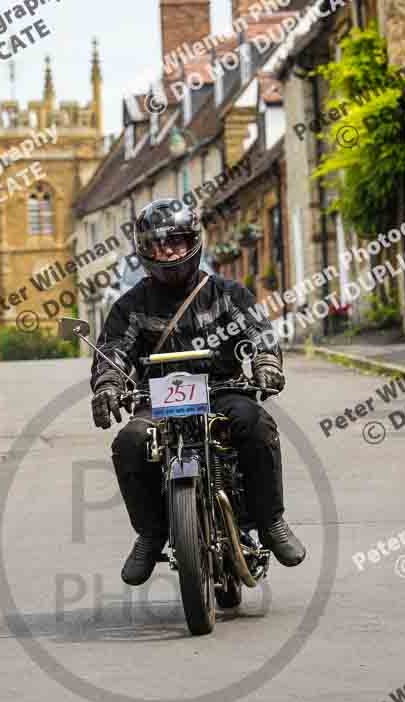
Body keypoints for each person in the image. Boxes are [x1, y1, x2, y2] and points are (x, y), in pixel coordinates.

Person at [90, 199, 306, 586]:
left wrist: (267, 363)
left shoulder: (228, 294)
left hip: (222, 389)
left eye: (176, 241)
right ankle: (151, 534)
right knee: (130, 442)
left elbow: (261, 334)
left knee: (255, 423)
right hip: (159, 398)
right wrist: (108, 384)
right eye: (158, 245)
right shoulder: (130, 306)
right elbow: (114, 352)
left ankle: (271, 521)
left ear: (194, 242)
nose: (168, 251)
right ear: (145, 251)